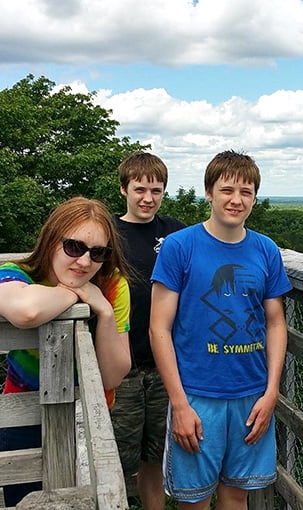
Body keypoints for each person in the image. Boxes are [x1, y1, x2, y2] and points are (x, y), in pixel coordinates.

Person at [149, 150, 292, 509]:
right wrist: (179, 404)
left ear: (255, 199)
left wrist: (272, 391)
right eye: (227, 190)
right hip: (196, 394)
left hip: (252, 394)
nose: (236, 200)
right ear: (209, 193)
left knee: (236, 496)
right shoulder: (179, 247)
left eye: (246, 192)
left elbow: (275, 322)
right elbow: (158, 329)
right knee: (193, 501)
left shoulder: (266, 250)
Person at [0, 196, 132, 507]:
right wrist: (75, 293)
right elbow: (26, 311)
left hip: (89, 417)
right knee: (24, 502)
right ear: (51, 241)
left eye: (98, 253)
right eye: (74, 247)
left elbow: (114, 374)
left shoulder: (113, 285)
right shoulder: (14, 275)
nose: (85, 262)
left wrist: (103, 311)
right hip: (25, 414)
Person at [110, 151, 185, 509]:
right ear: (123, 188)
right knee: (115, 458)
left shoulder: (174, 233)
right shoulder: (108, 233)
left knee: (154, 457)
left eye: (156, 190)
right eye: (140, 189)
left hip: (164, 365)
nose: (148, 198)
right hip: (120, 365)